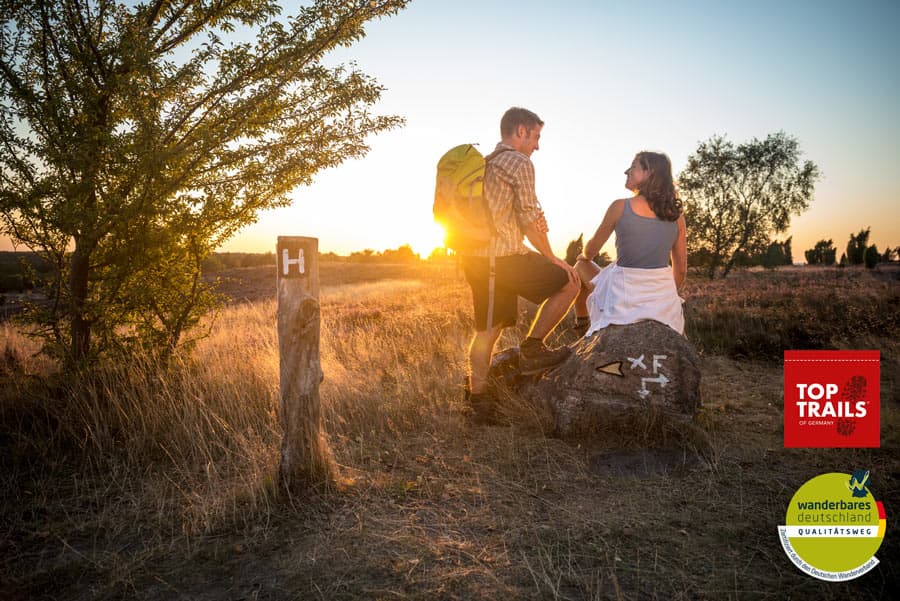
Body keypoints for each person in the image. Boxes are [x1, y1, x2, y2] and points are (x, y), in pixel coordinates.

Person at [461, 107, 579, 423]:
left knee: (488, 331)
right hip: (500, 262)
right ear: (521, 131)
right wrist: (553, 258)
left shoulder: (487, 163)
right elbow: (529, 219)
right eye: (536, 136)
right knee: (569, 281)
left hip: (478, 259)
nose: (537, 145)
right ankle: (533, 348)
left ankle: (479, 400)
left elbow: (511, 220)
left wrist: (531, 231)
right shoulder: (519, 162)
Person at [571, 151, 686, 337]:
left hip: (622, 296)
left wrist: (583, 255)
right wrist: (662, 298)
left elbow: (591, 251)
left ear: (649, 173)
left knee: (580, 265)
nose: (627, 171)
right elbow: (680, 271)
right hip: (661, 300)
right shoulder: (677, 217)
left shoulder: (620, 206)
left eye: (633, 167)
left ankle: (582, 328)